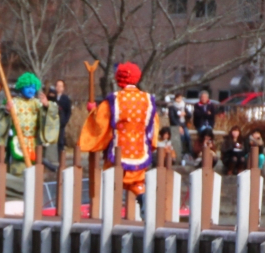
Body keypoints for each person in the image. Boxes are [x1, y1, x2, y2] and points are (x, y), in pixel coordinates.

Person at [79, 62, 157, 208]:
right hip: (140, 149)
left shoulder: (114, 99)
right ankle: (142, 196)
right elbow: (154, 126)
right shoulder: (148, 99)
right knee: (137, 181)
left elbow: (101, 123)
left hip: (118, 149)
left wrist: (92, 111)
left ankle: (109, 210)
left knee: (111, 178)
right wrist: (151, 144)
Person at [0, 72, 59, 176]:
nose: (31, 90)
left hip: (33, 143)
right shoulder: (13, 102)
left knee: (34, 172)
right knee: (18, 170)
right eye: (27, 87)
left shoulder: (37, 103)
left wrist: (47, 106)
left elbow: (52, 115)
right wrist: (6, 110)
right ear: (21, 87)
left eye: (33, 87)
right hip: (17, 141)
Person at [168, 92, 190, 162]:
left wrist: (185, 114)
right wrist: (178, 126)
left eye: (180, 98)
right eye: (178, 98)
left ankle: (189, 153)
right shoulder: (172, 107)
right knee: (182, 137)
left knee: (187, 136)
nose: (179, 99)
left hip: (183, 124)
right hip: (176, 125)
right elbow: (172, 118)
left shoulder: (184, 105)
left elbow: (189, 114)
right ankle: (181, 153)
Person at [55, 79, 72, 158]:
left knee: (60, 141)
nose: (58, 88)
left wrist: (64, 121)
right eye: (57, 86)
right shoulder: (52, 97)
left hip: (61, 123)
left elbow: (69, 111)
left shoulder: (66, 99)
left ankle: (61, 158)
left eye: (60, 86)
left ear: (63, 88)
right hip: (52, 123)